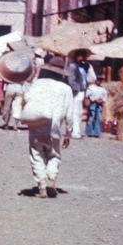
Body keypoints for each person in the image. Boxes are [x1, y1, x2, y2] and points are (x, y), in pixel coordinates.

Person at [22, 56, 73, 198]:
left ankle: (42, 188)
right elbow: (69, 114)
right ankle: (51, 177)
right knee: (54, 155)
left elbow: (26, 100)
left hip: (36, 126)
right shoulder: (66, 89)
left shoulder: (37, 84)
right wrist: (69, 132)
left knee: (36, 155)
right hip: (55, 129)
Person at [66, 50, 96, 139]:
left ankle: (74, 130)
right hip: (76, 91)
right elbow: (71, 80)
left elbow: (91, 78)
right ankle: (74, 131)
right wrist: (77, 89)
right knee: (75, 112)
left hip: (82, 91)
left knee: (77, 112)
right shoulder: (72, 66)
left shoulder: (86, 66)